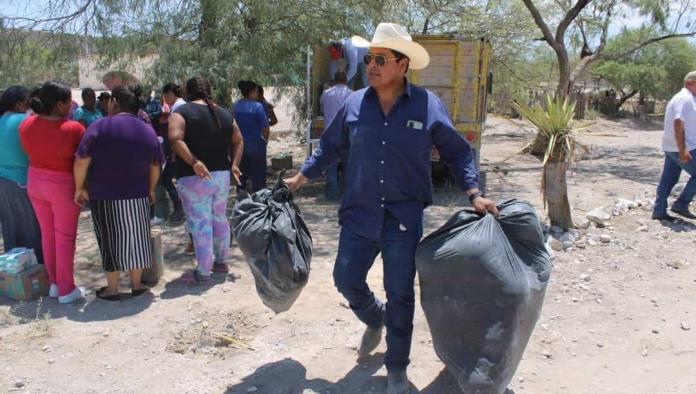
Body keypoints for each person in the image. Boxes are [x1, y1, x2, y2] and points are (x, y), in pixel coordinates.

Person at [284, 23, 498, 394]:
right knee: (345, 279)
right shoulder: (354, 103)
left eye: (380, 59)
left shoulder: (427, 105)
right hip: (359, 215)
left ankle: (396, 366)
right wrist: (300, 178)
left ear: (402, 65)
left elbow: (457, 151)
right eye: (369, 59)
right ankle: (374, 318)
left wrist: (473, 192)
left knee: (400, 292)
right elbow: (328, 146)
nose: (371, 65)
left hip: (403, 218)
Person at [74, 86, 164, 301]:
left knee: (109, 239)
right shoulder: (146, 130)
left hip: (104, 195)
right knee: (136, 237)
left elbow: (81, 161)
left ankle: (112, 289)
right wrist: (150, 189)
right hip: (137, 194)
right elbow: (155, 165)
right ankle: (136, 284)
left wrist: (79, 187)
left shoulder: (99, 126)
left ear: (114, 102)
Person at [169, 76, 243, 282]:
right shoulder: (225, 114)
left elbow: (175, 138)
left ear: (187, 92)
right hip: (221, 176)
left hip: (194, 178)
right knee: (219, 218)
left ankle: (203, 271)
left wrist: (193, 161)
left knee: (201, 223)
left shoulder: (181, 113)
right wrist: (235, 164)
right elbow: (238, 139)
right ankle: (221, 262)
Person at [20, 81, 86, 304]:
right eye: (69, 102)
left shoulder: (26, 125)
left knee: (48, 236)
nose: (71, 105)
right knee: (65, 238)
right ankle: (67, 289)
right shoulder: (73, 129)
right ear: (59, 104)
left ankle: (56, 284)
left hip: (35, 182)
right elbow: (82, 160)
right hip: (62, 185)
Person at [0, 86, 43, 262]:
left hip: (3, 182)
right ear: (19, 104)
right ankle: (38, 271)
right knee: (30, 229)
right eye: (28, 101)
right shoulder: (26, 120)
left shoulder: (2, 119)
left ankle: (14, 271)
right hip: (21, 181)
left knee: (10, 229)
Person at [653, 70, 696, 221]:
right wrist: (683, 148)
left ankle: (659, 210)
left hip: (673, 146)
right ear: (691, 83)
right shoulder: (685, 98)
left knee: (668, 179)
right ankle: (681, 204)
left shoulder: (686, 98)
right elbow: (678, 122)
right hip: (683, 147)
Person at [320, 71, 352, 200]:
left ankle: (331, 194)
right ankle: (346, 193)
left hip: (330, 134)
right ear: (346, 80)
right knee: (347, 165)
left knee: (331, 165)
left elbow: (321, 108)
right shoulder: (351, 94)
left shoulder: (326, 94)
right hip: (346, 135)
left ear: (334, 80)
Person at [234, 80, 270, 192]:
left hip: (239, 147)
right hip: (256, 145)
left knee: (241, 175)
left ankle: (241, 201)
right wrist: (265, 141)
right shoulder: (258, 107)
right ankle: (260, 202)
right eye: (256, 91)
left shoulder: (235, 106)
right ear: (252, 92)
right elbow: (265, 128)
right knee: (258, 175)